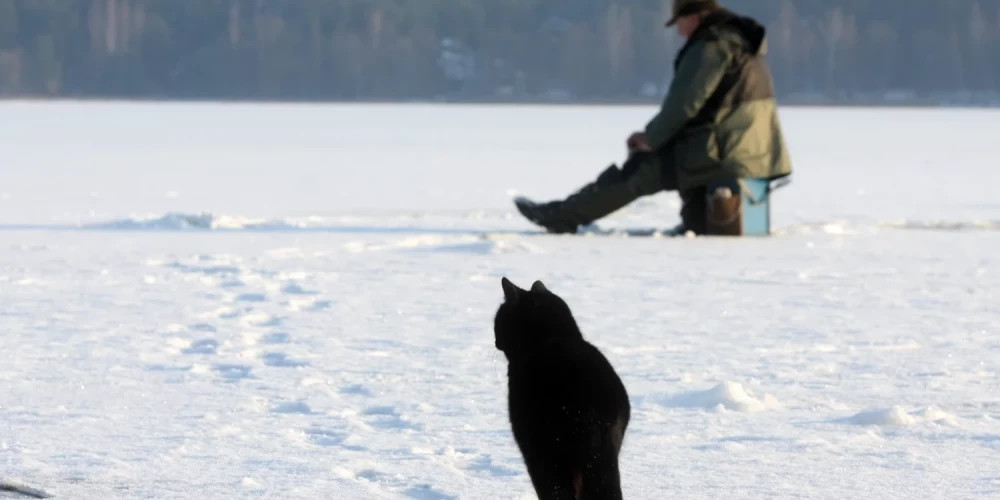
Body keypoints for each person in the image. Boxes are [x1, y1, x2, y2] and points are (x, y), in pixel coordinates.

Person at [514, 0, 792, 235]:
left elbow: (685, 103)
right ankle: (695, 225)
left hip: (723, 153)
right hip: (752, 152)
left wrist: (651, 138)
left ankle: (560, 217)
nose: (680, 32)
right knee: (684, 171)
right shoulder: (741, 43)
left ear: (694, 16)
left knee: (640, 169)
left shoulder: (711, 45)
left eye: (680, 23)